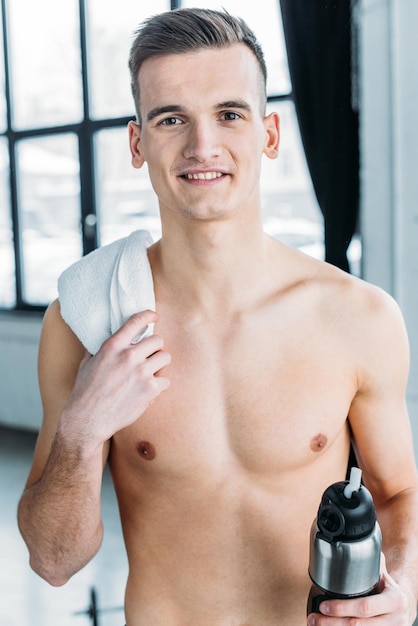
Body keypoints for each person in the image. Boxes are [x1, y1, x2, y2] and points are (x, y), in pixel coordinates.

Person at [17, 8, 418, 625]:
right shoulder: (86, 324)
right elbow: (53, 561)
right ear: (137, 142)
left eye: (229, 114)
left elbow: (397, 495)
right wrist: (82, 428)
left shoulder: (358, 318)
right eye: (171, 119)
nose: (203, 146)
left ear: (270, 134)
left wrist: (405, 588)